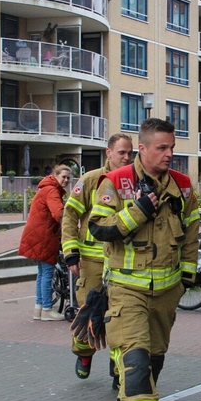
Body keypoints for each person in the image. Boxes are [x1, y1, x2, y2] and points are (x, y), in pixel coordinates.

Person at [88, 118, 200, 401]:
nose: (169, 155)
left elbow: (192, 234)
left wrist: (185, 280)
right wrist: (138, 212)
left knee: (154, 360)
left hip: (166, 294)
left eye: (172, 148)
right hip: (127, 290)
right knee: (135, 358)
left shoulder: (182, 186)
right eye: (162, 148)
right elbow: (99, 228)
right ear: (143, 148)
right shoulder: (117, 182)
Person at [61, 133, 133, 383]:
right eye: (121, 152)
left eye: (129, 153)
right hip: (91, 263)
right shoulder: (91, 180)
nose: (126, 158)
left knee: (119, 316)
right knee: (88, 312)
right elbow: (70, 216)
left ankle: (118, 370)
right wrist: (71, 253)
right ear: (109, 153)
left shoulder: (131, 182)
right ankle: (84, 353)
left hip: (121, 262)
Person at [19, 164, 71, 321]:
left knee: (42, 273)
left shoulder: (46, 188)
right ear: (55, 176)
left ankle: (39, 308)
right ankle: (47, 309)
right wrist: (70, 228)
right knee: (47, 272)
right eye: (63, 177)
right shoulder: (52, 191)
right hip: (45, 236)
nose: (66, 180)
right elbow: (59, 213)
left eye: (68, 178)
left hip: (38, 235)